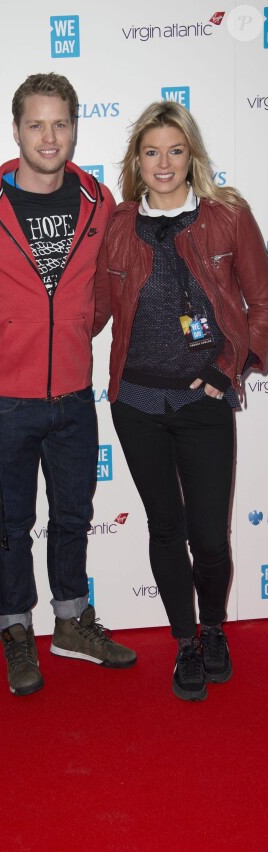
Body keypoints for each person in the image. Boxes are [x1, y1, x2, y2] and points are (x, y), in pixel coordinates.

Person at [0, 72, 137, 696]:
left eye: (60, 124)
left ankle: (71, 621)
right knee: (12, 521)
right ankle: (15, 627)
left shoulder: (98, 200)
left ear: (75, 129)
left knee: (74, 516)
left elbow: (108, 286)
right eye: (36, 124)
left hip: (75, 395)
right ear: (16, 130)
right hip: (4, 398)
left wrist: (81, 328)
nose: (49, 137)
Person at [95, 101, 268, 700]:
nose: (163, 163)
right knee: (165, 527)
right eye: (151, 152)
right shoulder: (117, 226)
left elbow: (261, 301)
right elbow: (87, 311)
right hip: (136, 403)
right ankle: (185, 641)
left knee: (211, 535)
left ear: (191, 154)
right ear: (136, 161)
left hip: (203, 404)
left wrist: (230, 369)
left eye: (175, 150)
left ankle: (215, 627)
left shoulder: (227, 216)